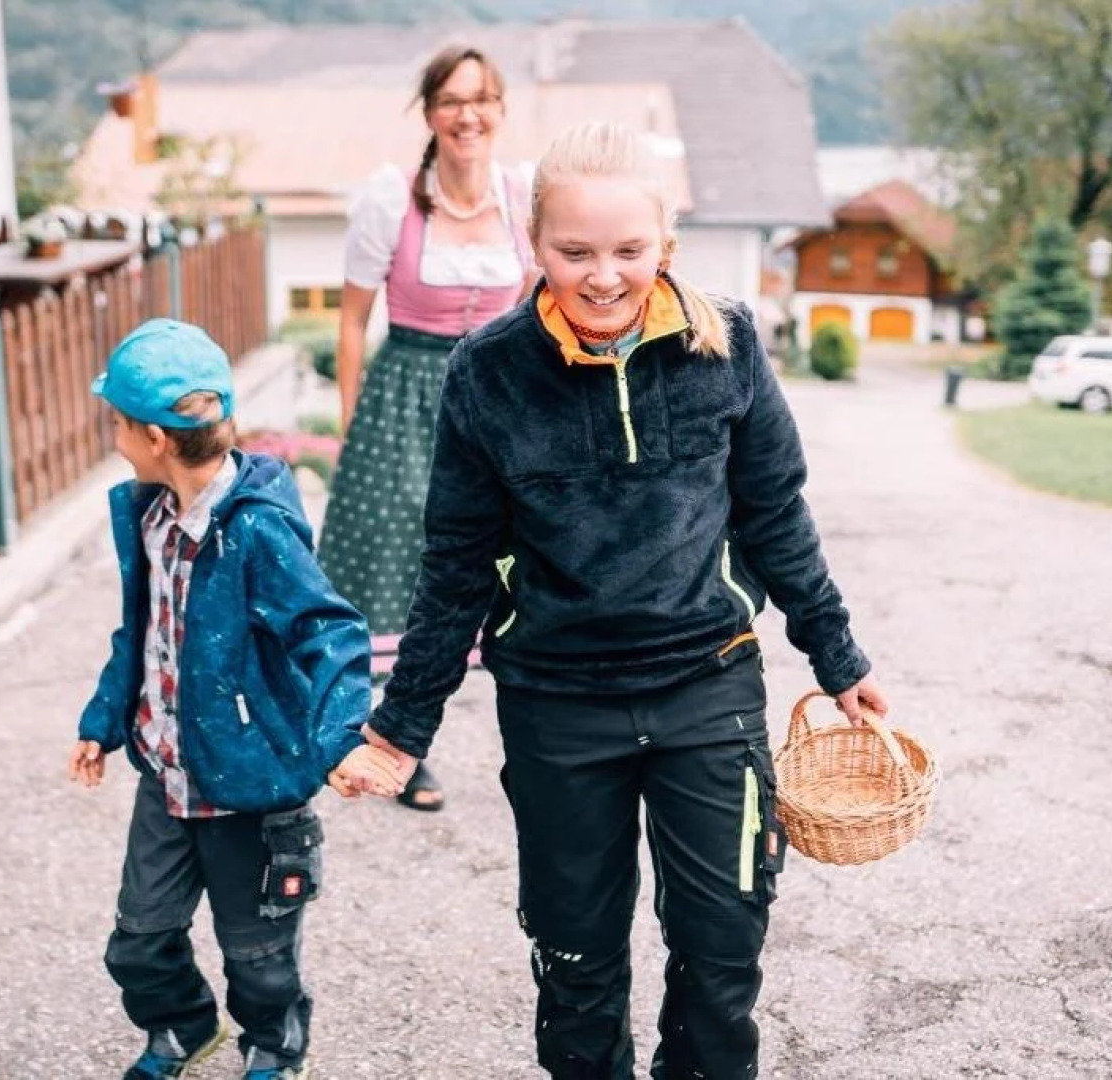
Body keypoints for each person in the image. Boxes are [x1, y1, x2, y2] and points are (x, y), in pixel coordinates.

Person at [355, 123, 892, 1079]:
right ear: (534, 244)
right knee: (575, 964)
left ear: (664, 245)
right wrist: (402, 730)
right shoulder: (486, 371)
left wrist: (837, 656)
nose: (602, 277)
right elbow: (455, 567)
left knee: (722, 952)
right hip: (557, 705)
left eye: (628, 252)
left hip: (707, 690)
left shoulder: (724, 346)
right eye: (574, 253)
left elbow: (774, 513)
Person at [68, 318, 405, 1080]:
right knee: (139, 940)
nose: (113, 438)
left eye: (117, 424)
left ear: (155, 437)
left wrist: (344, 734)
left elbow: (328, 632)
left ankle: (274, 1048)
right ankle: (184, 1030)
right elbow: (141, 634)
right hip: (167, 776)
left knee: (258, 953)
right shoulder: (150, 517)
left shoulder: (258, 530)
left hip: (251, 787)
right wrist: (102, 720)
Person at [316, 43, 537, 813]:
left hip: (501, 396)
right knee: (402, 569)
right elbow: (350, 323)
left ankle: (540, 742)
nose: (466, 114)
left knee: (515, 562)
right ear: (429, 113)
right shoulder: (389, 201)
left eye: (480, 98)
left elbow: (545, 310)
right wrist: (351, 426)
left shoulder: (523, 196)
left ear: (501, 109)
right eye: (449, 100)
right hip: (407, 392)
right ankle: (402, 747)